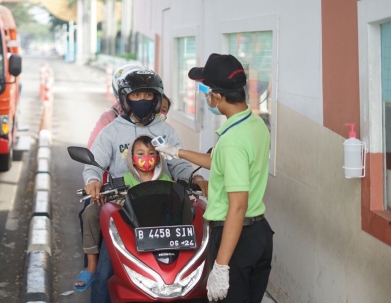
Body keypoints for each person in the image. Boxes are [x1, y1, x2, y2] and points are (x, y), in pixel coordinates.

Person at [82, 68, 208, 302]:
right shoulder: (112, 132)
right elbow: (94, 164)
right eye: (136, 96)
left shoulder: (164, 129)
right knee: (106, 272)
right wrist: (93, 181)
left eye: (148, 96)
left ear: (157, 98)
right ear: (125, 99)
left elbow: (179, 164)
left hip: (164, 206)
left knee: (189, 267)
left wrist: (196, 179)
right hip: (122, 209)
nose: (142, 101)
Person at [155, 53, 273, 302]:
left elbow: (237, 206)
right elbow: (220, 163)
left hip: (236, 238)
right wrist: (177, 151)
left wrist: (221, 266)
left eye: (206, 91)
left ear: (218, 96)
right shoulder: (254, 124)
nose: (206, 97)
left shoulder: (233, 141)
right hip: (259, 233)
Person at [75, 135, 172, 291]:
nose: (146, 158)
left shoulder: (166, 181)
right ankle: (91, 267)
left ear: (158, 157)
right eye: (140, 154)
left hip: (158, 237)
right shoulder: (122, 181)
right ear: (132, 158)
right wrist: (103, 194)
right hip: (125, 233)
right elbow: (111, 198)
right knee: (104, 274)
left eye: (151, 154)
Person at [86, 63, 146, 149]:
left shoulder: (155, 118)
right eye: (135, 94)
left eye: (146, 93)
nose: (141, 99)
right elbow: (92, 148)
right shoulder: (108, 118)